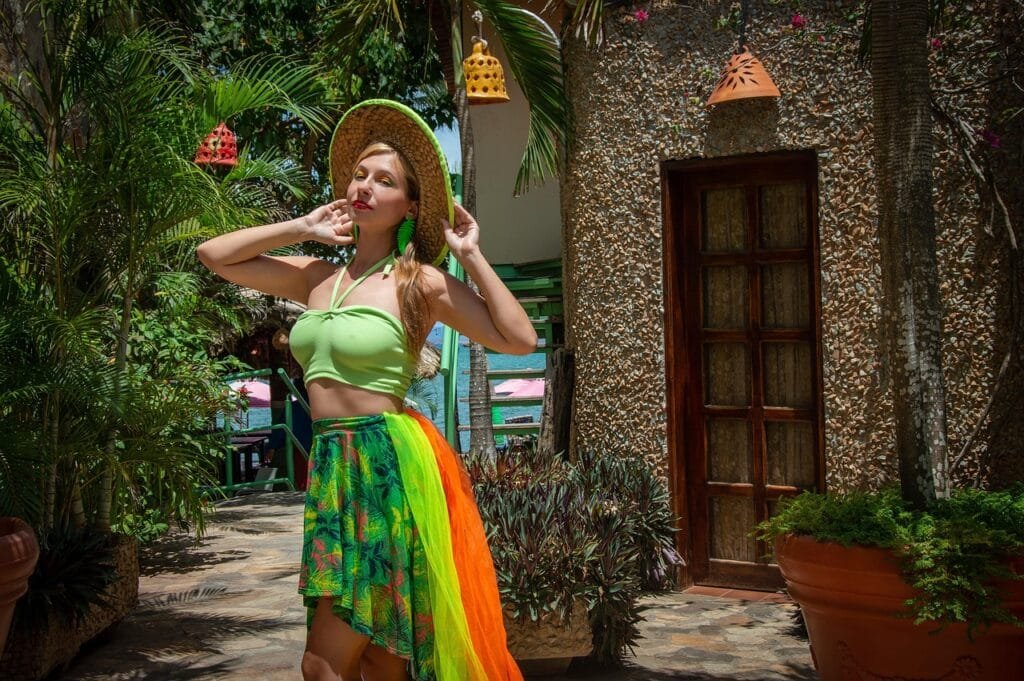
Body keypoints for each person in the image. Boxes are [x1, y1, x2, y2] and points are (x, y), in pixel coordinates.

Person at [196, 99, 534, 681]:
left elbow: (519, 339)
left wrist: (471, 257)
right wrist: (304, 226)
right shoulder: (316, 277)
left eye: (385, 181)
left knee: (322, 664)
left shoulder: (418, 283)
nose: (365, 187)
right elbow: (214, 255)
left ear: (410, 205)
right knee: (380, 660)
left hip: (383, 465)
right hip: (331, 467)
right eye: (359, 175)